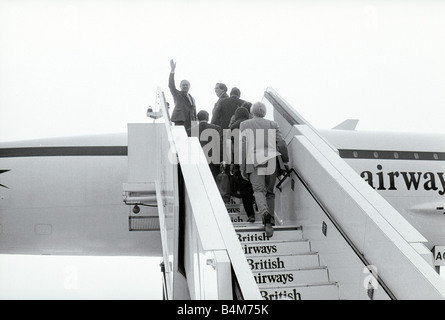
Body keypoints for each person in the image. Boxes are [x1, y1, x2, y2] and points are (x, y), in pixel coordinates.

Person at [239, 101, 285, 237]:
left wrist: (242, 167)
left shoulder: (245, 124)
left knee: (258, 190)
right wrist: (285, 160)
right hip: (272, 159)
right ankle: (270, 220)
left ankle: (264, 213)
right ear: (264, 112)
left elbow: (243, 147)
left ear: (252, 112)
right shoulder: (273, 124)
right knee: (270, 192)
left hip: (254, 160)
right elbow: (281, 142)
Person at [228, 107, 256, 222]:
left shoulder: (233, 126)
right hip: (255, 158)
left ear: (236, 115)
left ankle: (251, 214)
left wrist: (232, 162)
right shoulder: (252, 123)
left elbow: (232, 147)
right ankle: (259, 205)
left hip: (240, 159)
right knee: (256, 185)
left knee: (244, 187)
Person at [187, 110, 222, 180]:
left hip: (197, 162)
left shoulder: (190, 131)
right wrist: (221, 160)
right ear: (208, 118)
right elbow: (219, 145)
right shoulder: (216, 128)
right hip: (213, 162)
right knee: (213, 182)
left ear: (197, 119)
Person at [168, 59, 197, 135]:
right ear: (180, 86)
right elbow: (171, 85)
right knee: (180, 138)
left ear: (189, 86)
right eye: (183, 85)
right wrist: (172, 71)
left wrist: (196, 122)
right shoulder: (177, 94)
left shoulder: (192, 98)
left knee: (191, 140)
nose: (185, 86)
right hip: (180, 120)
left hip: (191, 122)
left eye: (186, 85)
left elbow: (194, 111)